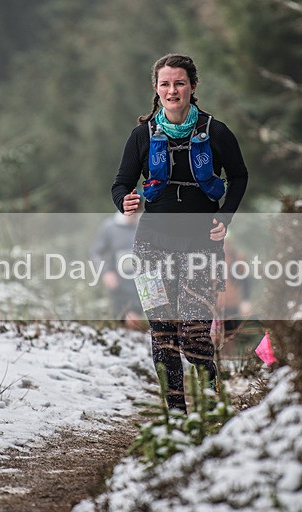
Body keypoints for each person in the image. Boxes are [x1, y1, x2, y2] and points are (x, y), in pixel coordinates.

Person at [111, 53, 248, 412]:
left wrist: (227, 217)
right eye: (166, 84)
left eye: (180, 83)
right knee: (163, 335)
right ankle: (176, 415)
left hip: (201, 246)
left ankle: (209, 406)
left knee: (193, 334)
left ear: (193, 87)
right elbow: (121, 183)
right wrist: (123, 201)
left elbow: (239, 176)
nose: (173, 90)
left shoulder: (216, 132)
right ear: (156, 89)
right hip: (150, 248)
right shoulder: (141, 136)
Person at [89, 202, 144, 329]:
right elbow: (96, 252)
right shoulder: (110, 227)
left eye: (137, 209)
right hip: (119, 285)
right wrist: (106, 272)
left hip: (144, 282)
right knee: (122, 323)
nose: (133, 214)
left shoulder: (146, 226)